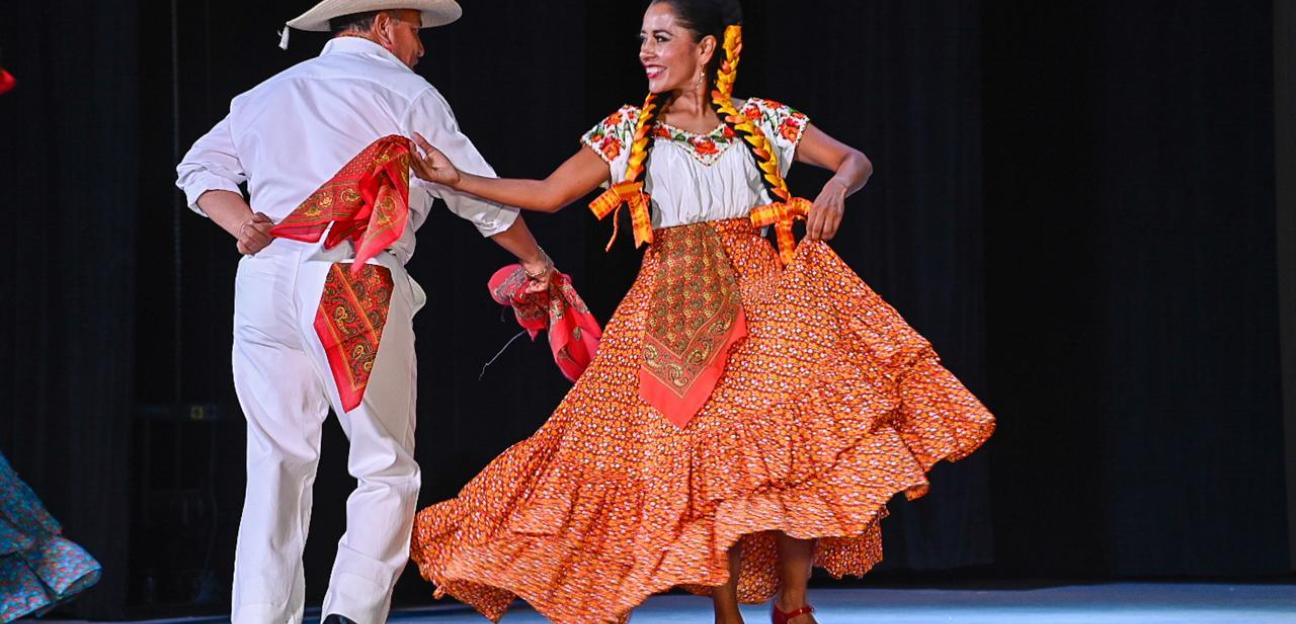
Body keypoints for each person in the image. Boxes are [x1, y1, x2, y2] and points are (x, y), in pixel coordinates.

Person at [406, 1, 996, 623]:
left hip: (765, 294)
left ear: (707, 47)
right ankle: (727, 610)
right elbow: (551, 194)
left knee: (795, 442)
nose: (646, 51)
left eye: (662, 38)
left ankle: (793, 605)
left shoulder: (758, 119)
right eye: (643, 40)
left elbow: (855, 159)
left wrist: (834, 186)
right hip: (672, 301)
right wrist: (460, 179)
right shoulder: (629, 129)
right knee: (700, 452)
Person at [174, 1, 553, 622]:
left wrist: (238, 218)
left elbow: (198, 166)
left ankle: (260, 617)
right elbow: (473, 193)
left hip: (265, 282)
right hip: (352, 281)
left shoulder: (268, 93)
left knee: (275, 462)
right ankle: (351, 610)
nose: (422, 47)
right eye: (416, 30)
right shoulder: (405, 92)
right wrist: (537, 262)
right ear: (384, 26)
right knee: (384, 466)